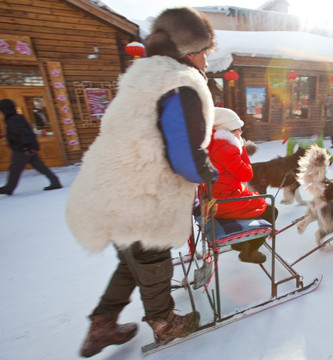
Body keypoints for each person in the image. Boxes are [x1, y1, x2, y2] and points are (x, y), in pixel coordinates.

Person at [65, 8, 218, 357]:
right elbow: (183, 154)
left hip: (108, 186)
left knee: (130, 259)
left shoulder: (139, 78)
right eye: (205, 54)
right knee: (151, 259)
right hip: (142, 194)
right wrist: (207, 172)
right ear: (189, 51)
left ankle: (102, 325)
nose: (207, 63)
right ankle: (164, 323)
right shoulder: (180, 83)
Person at [206, 107, 278, 264]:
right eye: (238, 129)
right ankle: (248, 251)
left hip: (214, 199)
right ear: (228, 130)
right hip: (224, 203)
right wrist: (242, 149)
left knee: (256, 199)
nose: (241, 133)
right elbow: (247, 174)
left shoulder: (211, 143)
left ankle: (241, 243)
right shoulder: (227, 147)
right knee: (271, 211)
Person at [0, 99, 62, 195]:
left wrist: (27, 147)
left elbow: (23, 133)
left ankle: (9, 188)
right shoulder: (16, 118)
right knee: (40, 167)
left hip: (22, 149)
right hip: (26, 148)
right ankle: (55, 181)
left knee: (14, 169)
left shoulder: (14, 119)